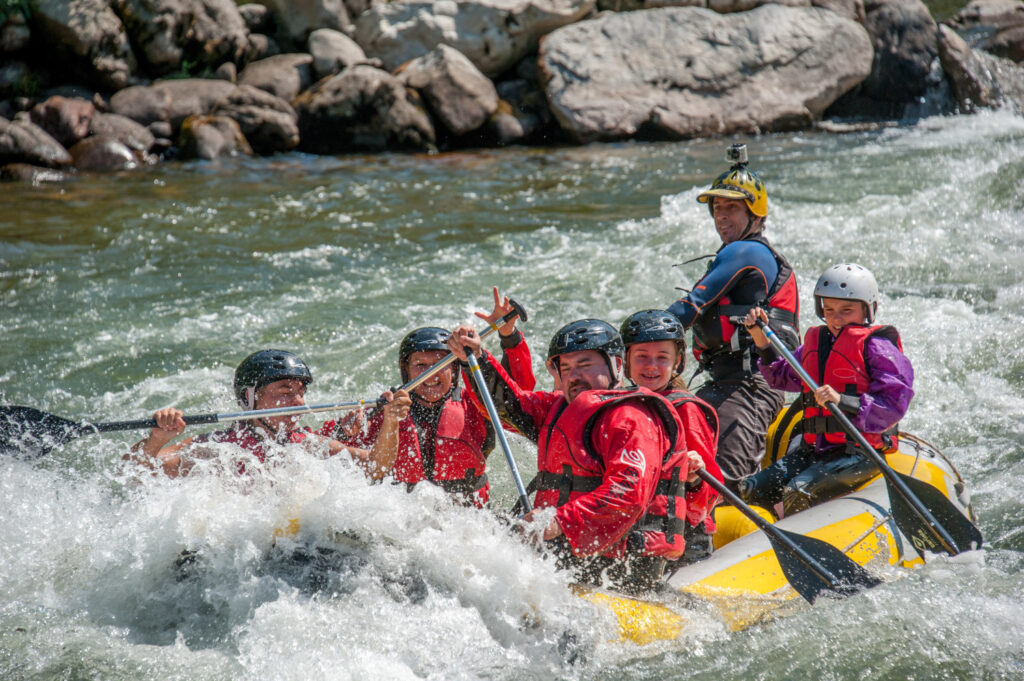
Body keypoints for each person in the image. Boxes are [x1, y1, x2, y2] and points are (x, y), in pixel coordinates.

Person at [448, 318, 689, 593]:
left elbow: (627, 493)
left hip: (623, 564)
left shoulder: (630, 418)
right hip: (570, 551)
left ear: (617, 366)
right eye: (566, 367)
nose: (574, 375)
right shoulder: (558, 407)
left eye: (585, 365)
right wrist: (474, 359)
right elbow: (508, 407)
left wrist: (558, 522)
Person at [667, 144, 800, 492]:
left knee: (723, 488)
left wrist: (638, 335)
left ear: (755, 213)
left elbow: (691, 306)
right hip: (724, 384)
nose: (721, 216)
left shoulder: (748, 250)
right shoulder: (742, 252)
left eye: (732, 207)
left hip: (749, 389)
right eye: (717, 208)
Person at [739, 263, 914, 516]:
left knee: (799, 491)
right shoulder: (817, 343)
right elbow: (778, 376)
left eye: (846, 310)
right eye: (829, 309)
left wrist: (842, 400)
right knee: (752, 489)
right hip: (815, 451)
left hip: (860, 454)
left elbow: (893, 406)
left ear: (868, 309)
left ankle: (796, 546)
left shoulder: (877, 348)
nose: (835, 317)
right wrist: (760, 337)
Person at [332, 292, 535, 506]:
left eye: (440, 364)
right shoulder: (387, 409)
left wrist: (508, 335)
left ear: (455, 370)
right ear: (406, 372)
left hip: (468, 523)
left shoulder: (475, 405)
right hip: (402, 520)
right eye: (420, 365)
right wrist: (345, 431)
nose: (431, 373)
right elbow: (323, 449)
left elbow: (517, 397)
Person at [127, 349, 410, 480]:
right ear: (249, 397)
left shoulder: (307, 444)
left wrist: (391, 421)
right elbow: (133, 473)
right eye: (285, 391)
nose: (298, 401)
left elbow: (377, 467)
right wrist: (157, 438)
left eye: (301, 391)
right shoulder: (214, 448)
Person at [619, 309, 724, 564]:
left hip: (685, 542)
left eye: (662, 358)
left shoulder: (686, 410)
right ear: (625, 360)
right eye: (642, 356)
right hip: (637, 535)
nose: (651, 366)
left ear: (677, 362)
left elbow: (709, 497)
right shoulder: (618, 404)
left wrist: (693, 481)